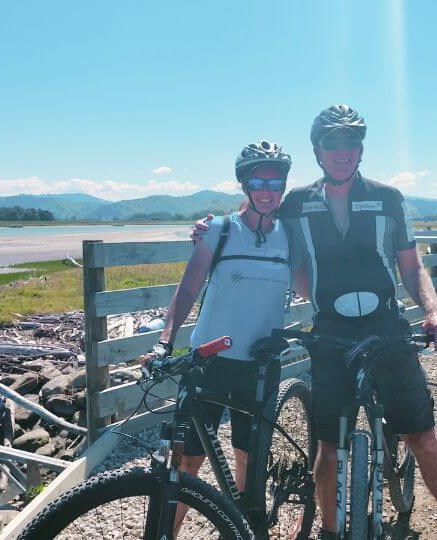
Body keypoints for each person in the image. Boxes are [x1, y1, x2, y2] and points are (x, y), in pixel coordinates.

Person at [194, 105, 437, 539]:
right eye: (332, 143)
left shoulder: (388, 199)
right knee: (328, 447)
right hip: (331, 333)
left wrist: (435, 312)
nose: (342, 151)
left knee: (423, 438)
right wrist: (210, 227)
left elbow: (411, 265)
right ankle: (329, 531)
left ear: (361, 150)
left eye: (351, 143)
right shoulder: (298, 204)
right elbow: (254, 212)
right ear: (318, 151)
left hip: (386, 327)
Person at [140, 140, 299, 532]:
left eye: (275, 183)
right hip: (208, 360)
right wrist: (165, 338)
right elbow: (189, 287)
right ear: (245, 185)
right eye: (258, 181)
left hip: (259, 364)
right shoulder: (219, 229)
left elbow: (313, 281)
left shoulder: (291, 236)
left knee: (246, 455)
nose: (267, 190)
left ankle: (241, 528)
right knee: (187, 460)